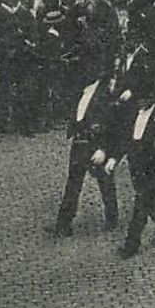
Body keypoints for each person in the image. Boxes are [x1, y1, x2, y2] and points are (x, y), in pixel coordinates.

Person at [50, 61, 124, 238]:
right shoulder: (82, 91)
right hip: (80, 143)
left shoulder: (106, 94)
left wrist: (104, 150)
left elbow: (113, 125)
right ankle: (63, 224)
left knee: (105, 182)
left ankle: (112, 217)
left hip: (96, 145)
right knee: (73, 183)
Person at [112, 89, 155, 259]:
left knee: (141, 205)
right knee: (151, 202)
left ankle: (131, 245)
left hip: (154, 171)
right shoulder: (133, 115)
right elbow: (125, 140)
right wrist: (114, 159)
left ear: (153, 98)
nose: (140, 102)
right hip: (137, 169)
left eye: (144, 98)